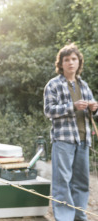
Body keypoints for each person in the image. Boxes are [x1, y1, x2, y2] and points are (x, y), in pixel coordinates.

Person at [44, 43, 98, 221]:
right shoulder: (53, 85)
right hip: (63, 140)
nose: (71, 63)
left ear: (78, 62)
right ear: (61, 64)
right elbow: (48, 111)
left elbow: (92, 112)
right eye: (66, 60)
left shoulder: (83, 85)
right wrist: (71, 107)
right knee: (62, 183)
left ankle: (79, 216)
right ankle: (64, 218)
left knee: (82, 183)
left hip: (83, 140)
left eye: (74, 59)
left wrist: (94, 108)